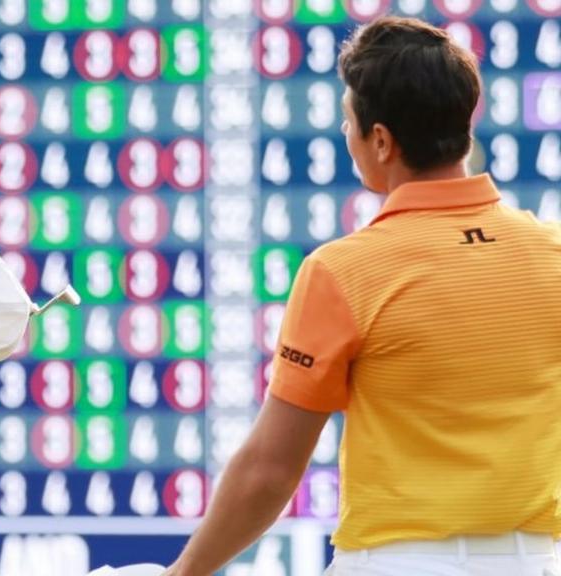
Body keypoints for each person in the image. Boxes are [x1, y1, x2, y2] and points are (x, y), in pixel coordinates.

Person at [164, 16, 561, 576]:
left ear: (381, 140)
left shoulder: (343, 270)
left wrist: (183, 574)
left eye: (349, 123)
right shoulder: (552, 253)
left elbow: (270, 471)